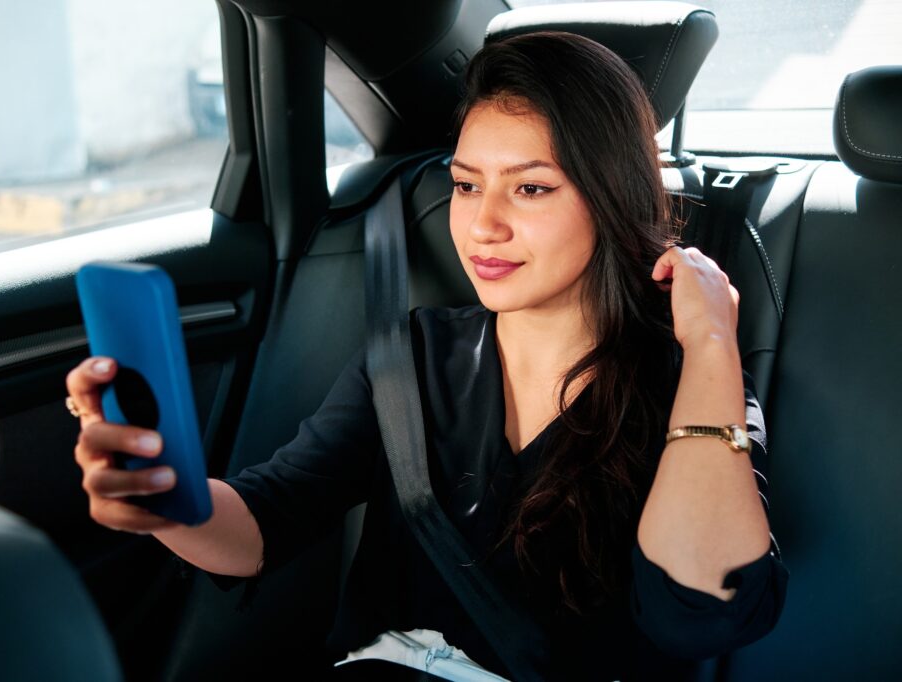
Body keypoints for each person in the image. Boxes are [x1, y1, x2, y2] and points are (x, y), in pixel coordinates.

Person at [67, 31, 787, 680]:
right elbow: (262, 524)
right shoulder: (412, 355)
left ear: (611, 199)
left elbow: (703, 610)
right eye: (467, 185)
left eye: (531, 188)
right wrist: (168, 499)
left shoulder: (686, 384)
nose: (483, 224)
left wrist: (712, 343)